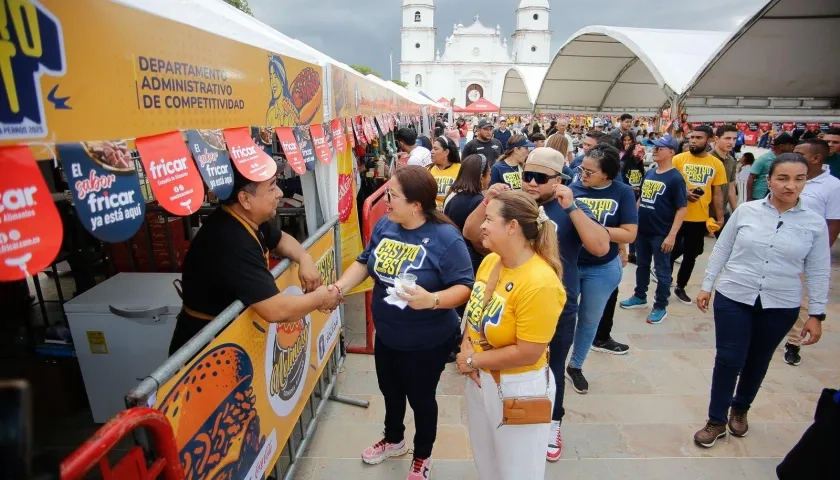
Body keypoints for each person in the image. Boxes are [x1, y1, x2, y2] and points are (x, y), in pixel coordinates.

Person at [332, 166, 474, 479]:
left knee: (421, 399)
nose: (387, 201)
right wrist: (339, 288)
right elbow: (366, 262)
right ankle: (394, 439)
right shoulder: (386, 224)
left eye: (393, 196)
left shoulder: (446, 238)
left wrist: (432, 300)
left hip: (427, 341)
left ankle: (423, 455)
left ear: (416, 204)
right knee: (390, 391)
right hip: (387, 333)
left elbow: (465, 286)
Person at [693, 153, 829, 448]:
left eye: (798, 179)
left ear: (807, 181)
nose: (790, 186)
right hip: (734, 295)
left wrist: (816, 313)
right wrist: (706, 285)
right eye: (782, 178)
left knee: (758, 359)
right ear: (768, 180)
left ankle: (740, 409)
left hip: (781, 304)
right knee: (729, 359)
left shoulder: (814, 224)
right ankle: (716, 420)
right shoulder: (747, 211)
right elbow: (722, 249)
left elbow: (818, 270)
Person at [456, 190, 566, 480]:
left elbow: (528, 351)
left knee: (518, 472)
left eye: (489, 218)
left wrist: (472, 362)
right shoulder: (492, 261)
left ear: (512, 226)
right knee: (487, 463)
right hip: (481, 380)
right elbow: (475, 312)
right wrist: (466, 348)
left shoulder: (540, 283)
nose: (482, 224)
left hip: (519, 387)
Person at [169, 165, 337, 355]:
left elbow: (281, 239)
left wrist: (304, 258)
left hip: (231, 340)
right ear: (245, 199)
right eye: (272, 187)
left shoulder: (246, 219)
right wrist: (321, 297)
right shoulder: (231, 240)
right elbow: (275, 309)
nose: (280, 193)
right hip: (205, 351)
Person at [518, 147, 610, 461]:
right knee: (520, 364)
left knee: (554, 366)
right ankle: (522, 418)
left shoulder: (572, 206)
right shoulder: (517, 204)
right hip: (517, 300)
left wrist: (570, 208)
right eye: (526, 175)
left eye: (539, 178)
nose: (530, 183)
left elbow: (599, 247)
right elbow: (474, 234)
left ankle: (553, 422)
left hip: (558, 303)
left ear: (558, 180)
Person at [567, 144, 638, 393]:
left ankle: (575, 366)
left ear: (607, 174)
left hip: (602, 267)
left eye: (589, 172)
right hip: (570, 265)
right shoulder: (570, 191)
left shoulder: (623, 192)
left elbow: (630, 233)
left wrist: (594, 231)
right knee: (561, 317)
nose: (582, 175)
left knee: (589, 320)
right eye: (581, 169)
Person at [781, 139, 840, 366]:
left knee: (802, 300)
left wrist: (819, 256)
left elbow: (833, 224)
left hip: (807, 253)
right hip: (779, 248)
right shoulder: (789, 180)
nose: (793, 156)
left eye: (799, 153)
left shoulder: (832, 186)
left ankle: (793, 342)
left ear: (815, 158)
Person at [619, 135, 687, 324]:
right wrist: (633, 219)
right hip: (643, 230)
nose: (655, 150)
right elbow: (641, 198)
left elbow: (682, 208)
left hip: (661, 232)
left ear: (671, 152)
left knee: (662, 270)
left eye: (660, 148)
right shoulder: (650, 172)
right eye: (655, 147)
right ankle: (640, 296)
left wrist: (672, 235)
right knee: (642, 265)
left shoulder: (675, 178)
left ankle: (660, 306)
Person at [670, 125, 727, 305]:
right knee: (669, 251)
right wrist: (683, 193)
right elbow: (668, 185)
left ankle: (681, 286)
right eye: (691, 137)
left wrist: (720, 217)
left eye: (698, 138)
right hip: (677, 215)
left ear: (710, 140)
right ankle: (664, 285)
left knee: (691, 255)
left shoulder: (716, 164)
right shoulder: (678, 160)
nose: (693, 141)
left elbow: (718, 193)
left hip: (699, 218)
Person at [747, 132, 796, 200]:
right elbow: (751, 178)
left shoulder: (788, 160)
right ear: (781, 146)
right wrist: (749, 198)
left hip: (775, 197)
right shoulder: (764, 159)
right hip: (759, 196)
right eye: (791, 145)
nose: (793, 147)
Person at [709, 125, 739, 230]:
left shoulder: (731, 161)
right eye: (727, 138)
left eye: (734, 139)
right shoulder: (707, 159)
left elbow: (731, 187)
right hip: (705, 211)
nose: (731, 142)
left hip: (722, 211)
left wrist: (735, 211)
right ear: (716, 139)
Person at [429, 136, 462, 210]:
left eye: (435, 149)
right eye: (432, 148)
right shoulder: (427, 169)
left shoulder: (461, 169)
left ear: (446, 152)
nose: (432, 151)